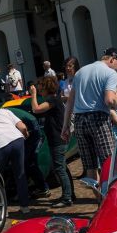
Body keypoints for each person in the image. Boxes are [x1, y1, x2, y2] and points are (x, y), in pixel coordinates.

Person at [62, 48, 117, 182]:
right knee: (108, 162)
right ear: (112, 59)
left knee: (90, 166)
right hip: (98, 119)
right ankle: (108, 196)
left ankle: (98, 199)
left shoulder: (80, 72)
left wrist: (65, 126)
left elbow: (70, 102)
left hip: (79, 121)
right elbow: (109, 100)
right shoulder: (110, 73)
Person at [28, 76, 73, 208]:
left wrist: (33, 95)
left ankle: (67, 198)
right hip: (58, 138)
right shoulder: (55, 98)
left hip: (57, 139)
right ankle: (69, 194)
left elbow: (36, 109)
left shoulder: (52, 99)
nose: (39, 89)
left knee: (59, 168)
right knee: (62, 167)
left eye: (41, 87)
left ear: (46, 88)